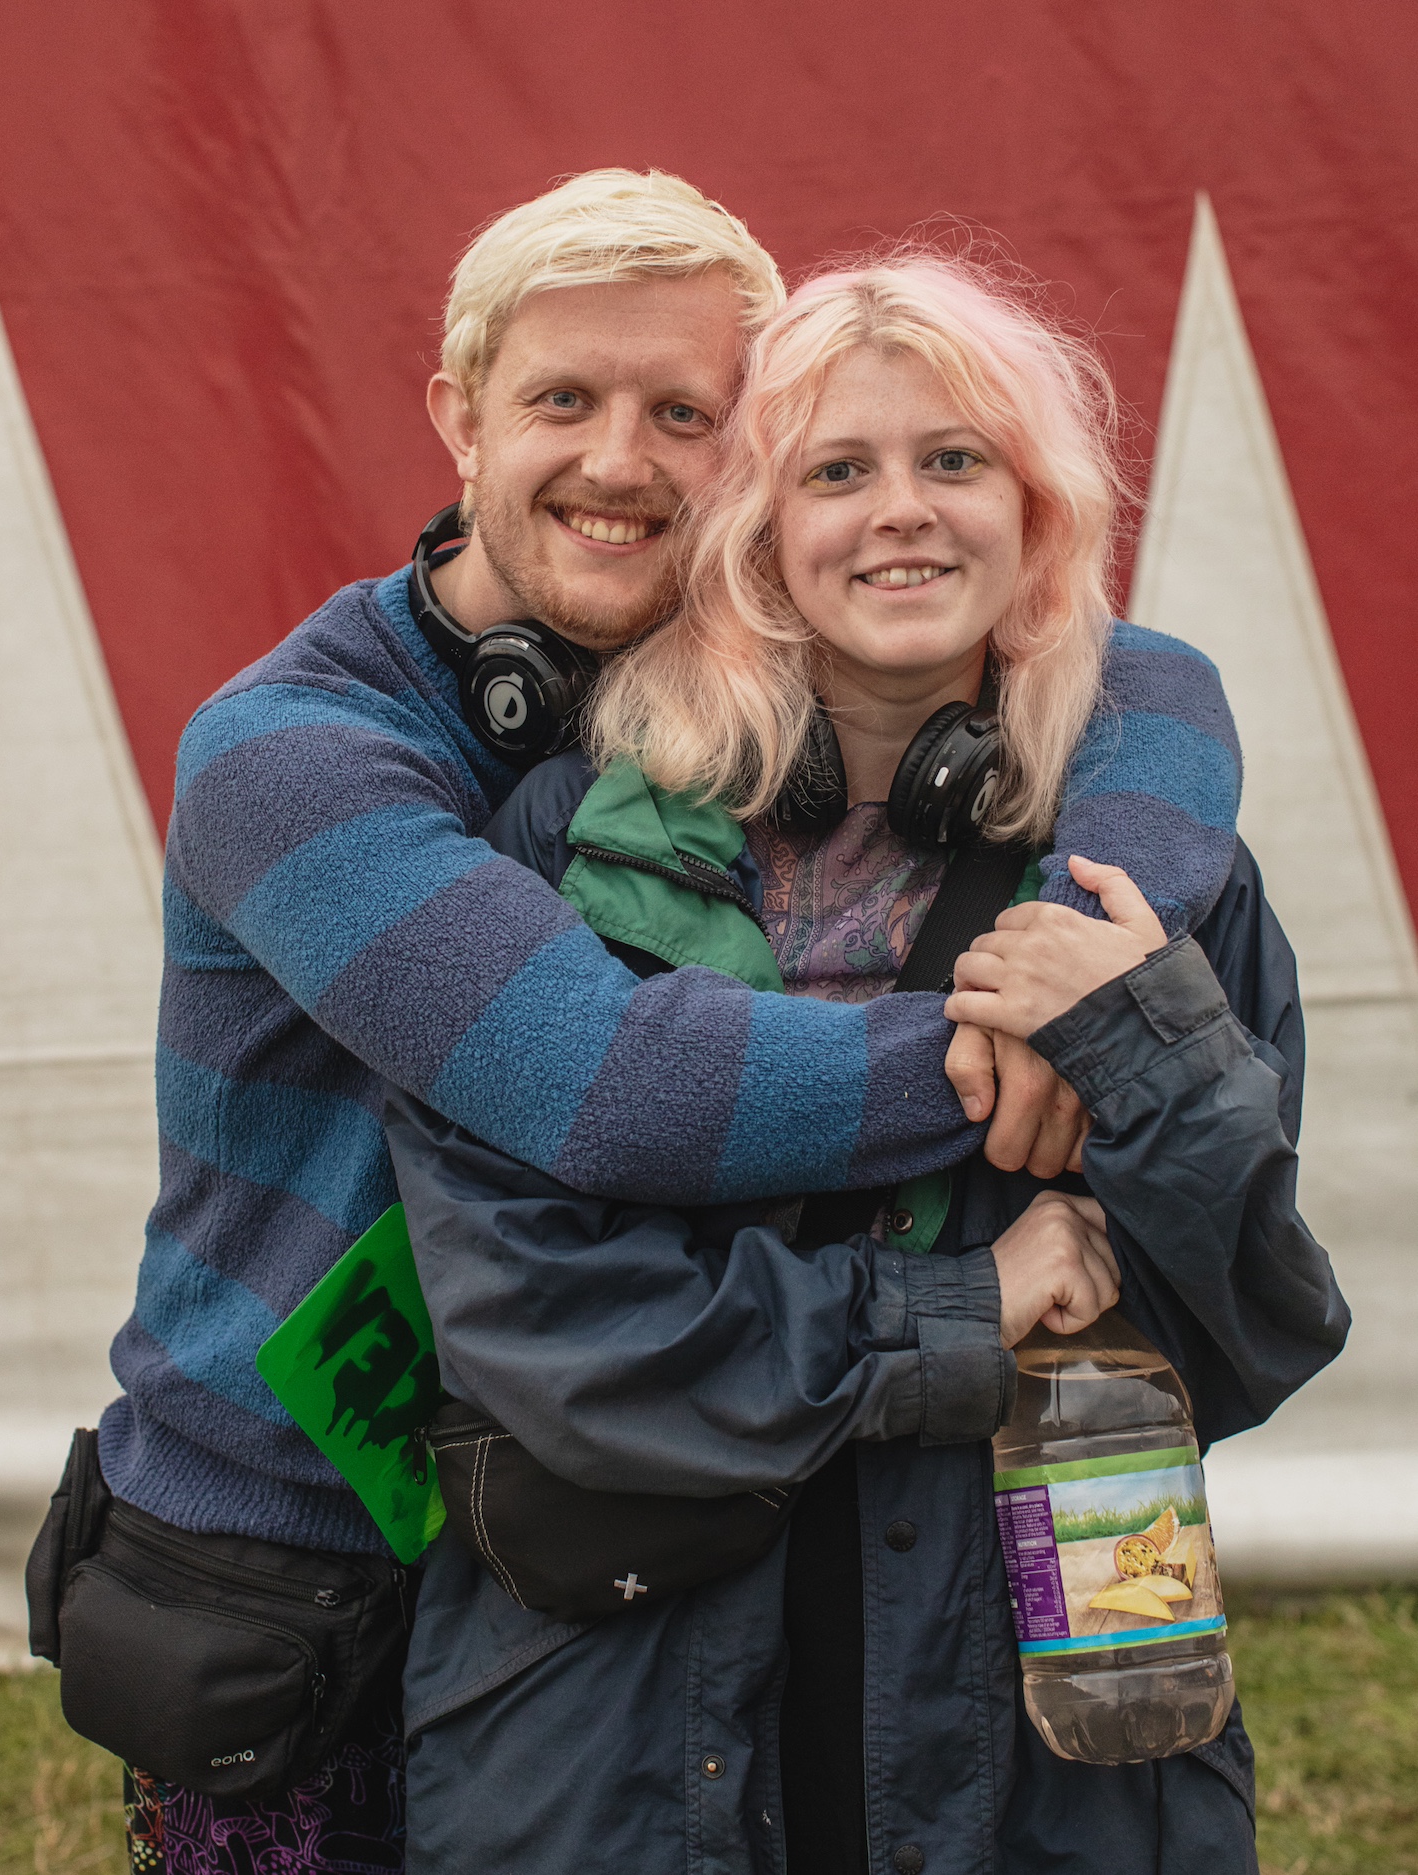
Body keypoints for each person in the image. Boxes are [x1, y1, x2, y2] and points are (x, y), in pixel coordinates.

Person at [85, 173, 1239, 1868]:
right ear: (457, 421)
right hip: (305, 1564)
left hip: (582, 1537)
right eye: (563, 399)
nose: (622, 461)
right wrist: (1053, 1029)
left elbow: (1140, 676)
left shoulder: (686, 708)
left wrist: (1090, 927)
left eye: (684, 412)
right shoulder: (287, 753)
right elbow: (613, 1082)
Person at [384, 255, 1348, 1873]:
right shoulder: (562, 848)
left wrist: (1125, 1029)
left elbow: (1248, 1323)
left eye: (954, 460)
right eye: (839, 470)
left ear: (1031, 510)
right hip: (618, 1735)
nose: (901, 510)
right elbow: (538, 1329)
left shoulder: (1151, 887)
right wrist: (964, 1315)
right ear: (756, 528)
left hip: (1044, 1748)